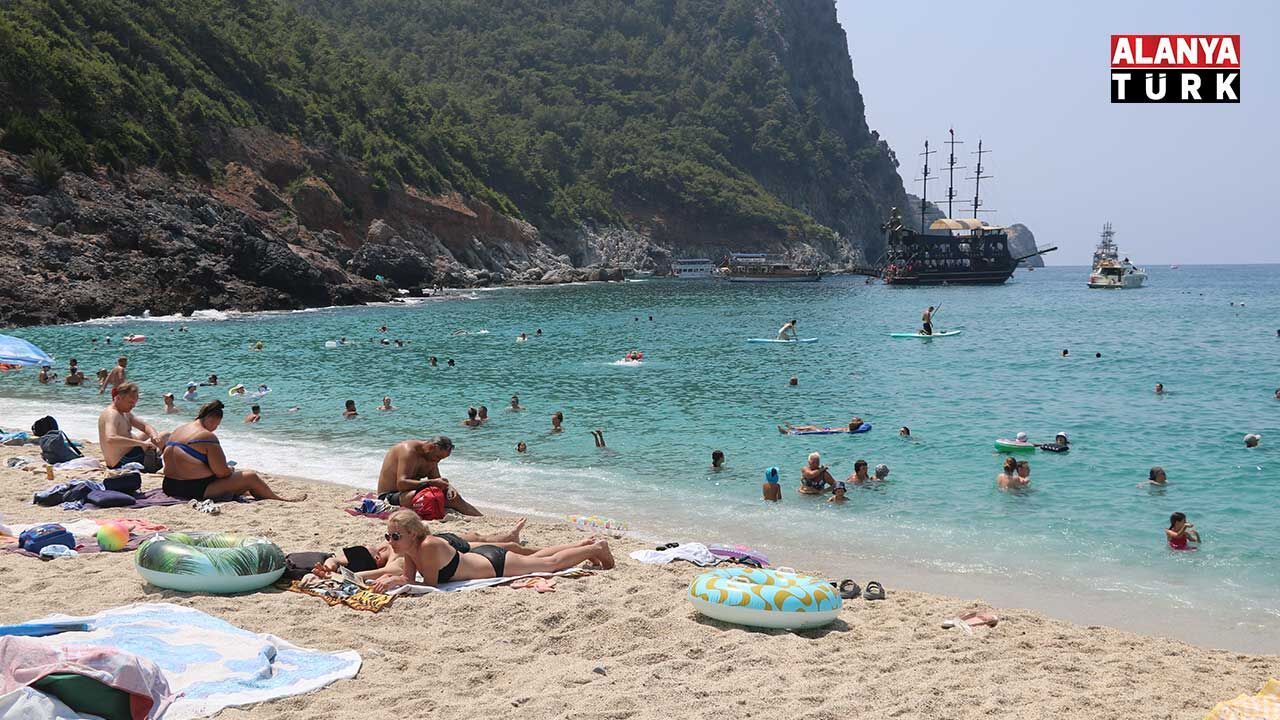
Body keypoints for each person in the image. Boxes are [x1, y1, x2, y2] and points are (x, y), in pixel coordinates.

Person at [368, 511, 614, 590]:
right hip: (481, 558)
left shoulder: (428, 546)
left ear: (412, 534)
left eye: (395, 536)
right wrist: (393, 579)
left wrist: (395, 580)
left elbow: (431, 585)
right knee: (537, 557)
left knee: (550, 564)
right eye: (388, 536)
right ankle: (582, 546)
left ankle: (596, 547)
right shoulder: (410, 550)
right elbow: (410, 579)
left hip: (493, 564)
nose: (390, 541)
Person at [161, 400, 304, 501]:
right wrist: (229, 469)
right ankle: (278, 500)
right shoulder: (206, 436)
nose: (215, 428)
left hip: (169, 486)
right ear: (212, 419)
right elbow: (222, 473)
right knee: (250, 477)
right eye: (217, 425)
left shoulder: (179, 429)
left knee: (236, 479)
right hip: (192, 490)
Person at [375, 436, 480, 516]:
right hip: (389, 496)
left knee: (451, 496)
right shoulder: (409, 451)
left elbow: (437, 481)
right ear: (432, 447)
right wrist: (432, 483)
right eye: (438, 457)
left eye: (441, 459)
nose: (438, 461)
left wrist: (449, 487)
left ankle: (478, 516)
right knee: (428, 497)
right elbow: (402, 484)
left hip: (409, 493)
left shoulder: (431, 457)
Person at [97, 382, 170, 469]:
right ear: (118, 398)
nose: (133, 406)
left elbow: (145, 426)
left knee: (148, 434)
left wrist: (154, 436)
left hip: (130, 453)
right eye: (130, 402)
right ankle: (162, 459)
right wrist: (141, 444)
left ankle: (158, 454)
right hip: (122, 461)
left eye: (135, 402)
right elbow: (111, 438)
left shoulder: (124, 412)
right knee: (166, 435)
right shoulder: (112, 414)